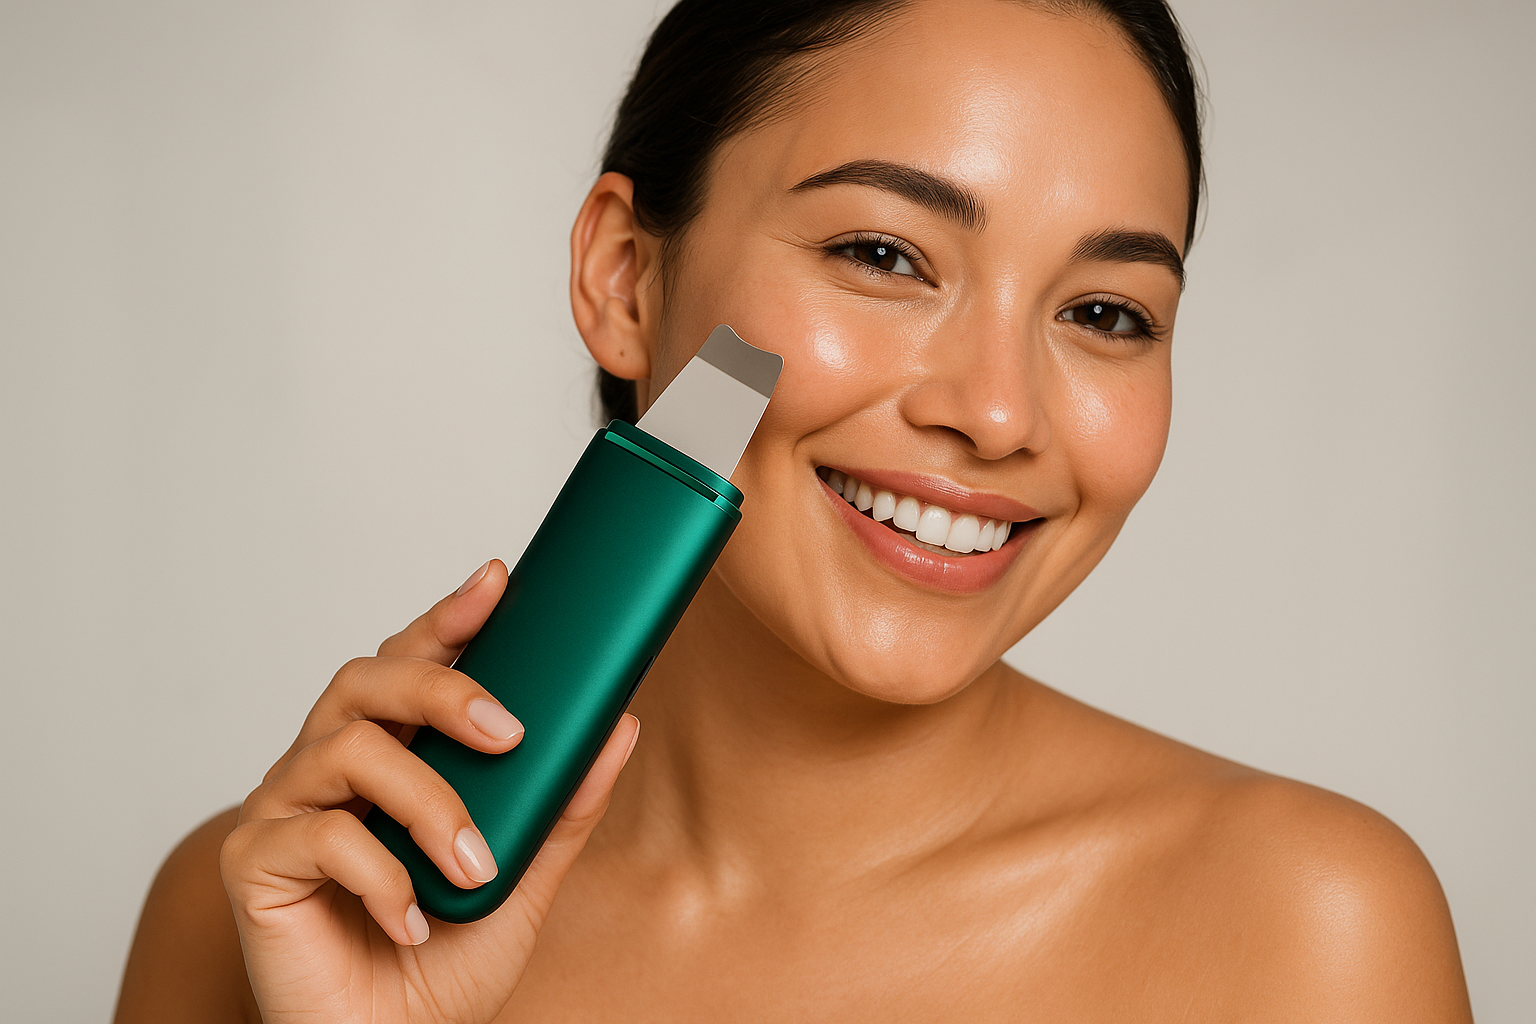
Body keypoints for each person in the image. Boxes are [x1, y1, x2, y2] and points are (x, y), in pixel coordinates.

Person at [114, 1, 1474, 1020]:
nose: (998, 413)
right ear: (628, 279)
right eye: (884, 254)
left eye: (1105, 313)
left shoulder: (1308, 935)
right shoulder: (269, 910)